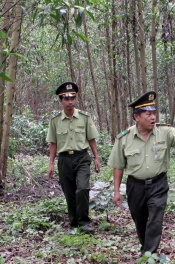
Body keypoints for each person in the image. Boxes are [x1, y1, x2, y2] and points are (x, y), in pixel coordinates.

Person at [108, 91, 175, 255]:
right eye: (148, 114)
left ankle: (149, 253)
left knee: (155, 220)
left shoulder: (165, 132)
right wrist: (116, 191)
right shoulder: (124, 138)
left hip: (158, 185)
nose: (153, 117)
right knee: (140, 219)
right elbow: (118, 166)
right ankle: (146, 247)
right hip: (135, 187)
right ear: (136, 117)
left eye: (154, 113)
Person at [46, 81, 101, 234]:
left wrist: (96, 158)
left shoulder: (84, 117)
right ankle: (74, 224)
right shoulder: (55, 120)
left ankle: (84, 222)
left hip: (82, 157)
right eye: (66, 98)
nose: (70, 102)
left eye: (72, 98)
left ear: (75, 99)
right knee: (69, 192)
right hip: (64, 159)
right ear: (61, 100)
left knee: (82, 188)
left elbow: (91, 138)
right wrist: (50, 164)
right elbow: (53, 143)